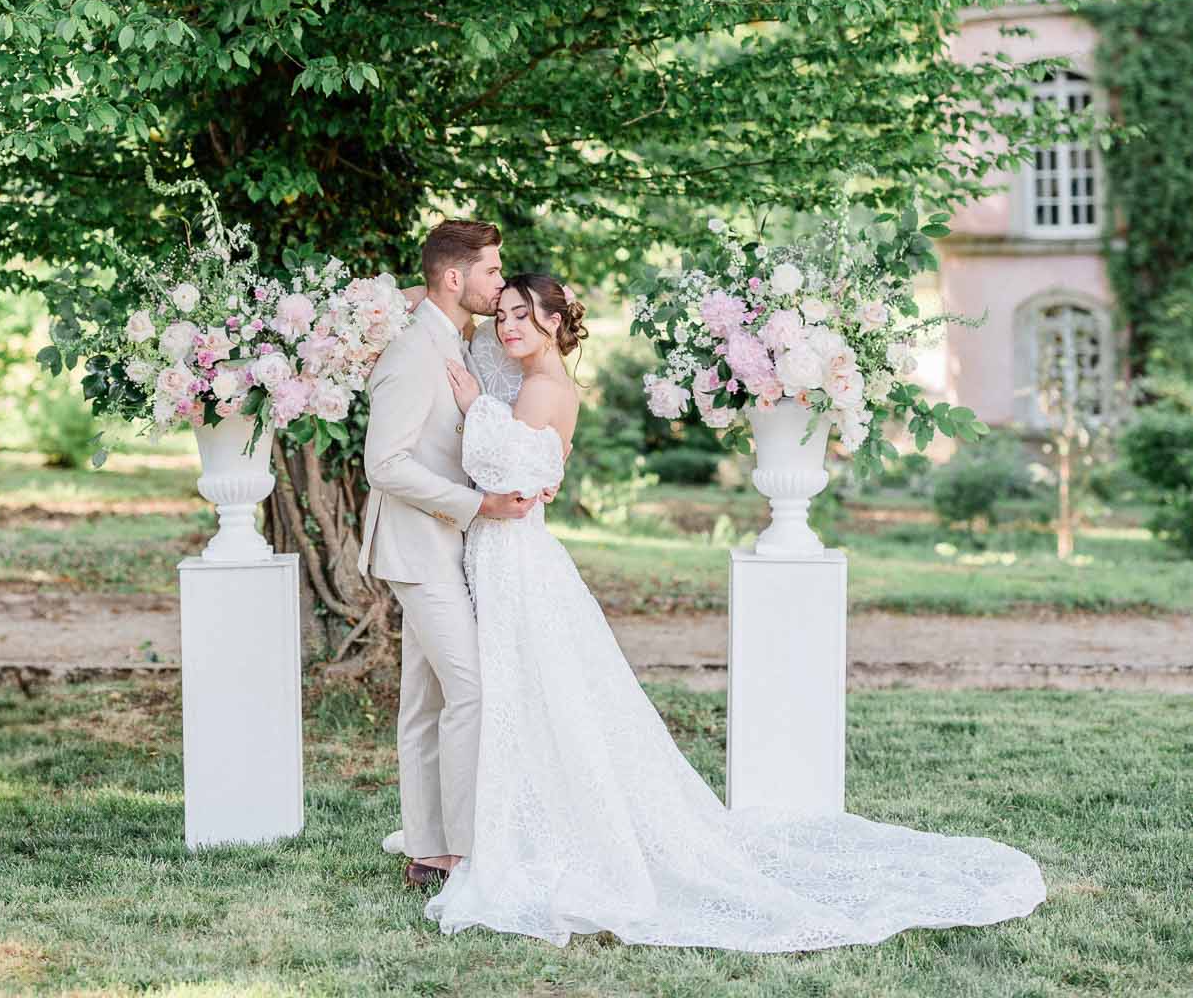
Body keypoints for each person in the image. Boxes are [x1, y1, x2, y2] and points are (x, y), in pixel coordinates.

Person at [426, 272, 1048, 952]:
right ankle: (529, 817)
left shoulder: (540, 389)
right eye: (502, 315)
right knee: (535, 692)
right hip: (514, 554)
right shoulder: (543, 386)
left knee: (535, 691)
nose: (507, 326)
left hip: (515, 555)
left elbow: (498, 467)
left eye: (522, 314)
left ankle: (541, 831)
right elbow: (534, 467)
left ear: (553, 320)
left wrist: (474, 408)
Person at [357, 219, 543, 889]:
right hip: (418, 548)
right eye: (492, 270)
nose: (501, 282)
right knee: (471, 691)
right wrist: (477, 506)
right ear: (456, 277)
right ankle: (465, 851)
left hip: (445, 548)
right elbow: (384, 464)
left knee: (426, 700)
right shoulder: (414, 352)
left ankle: (429, 850)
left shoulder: (453, 337)